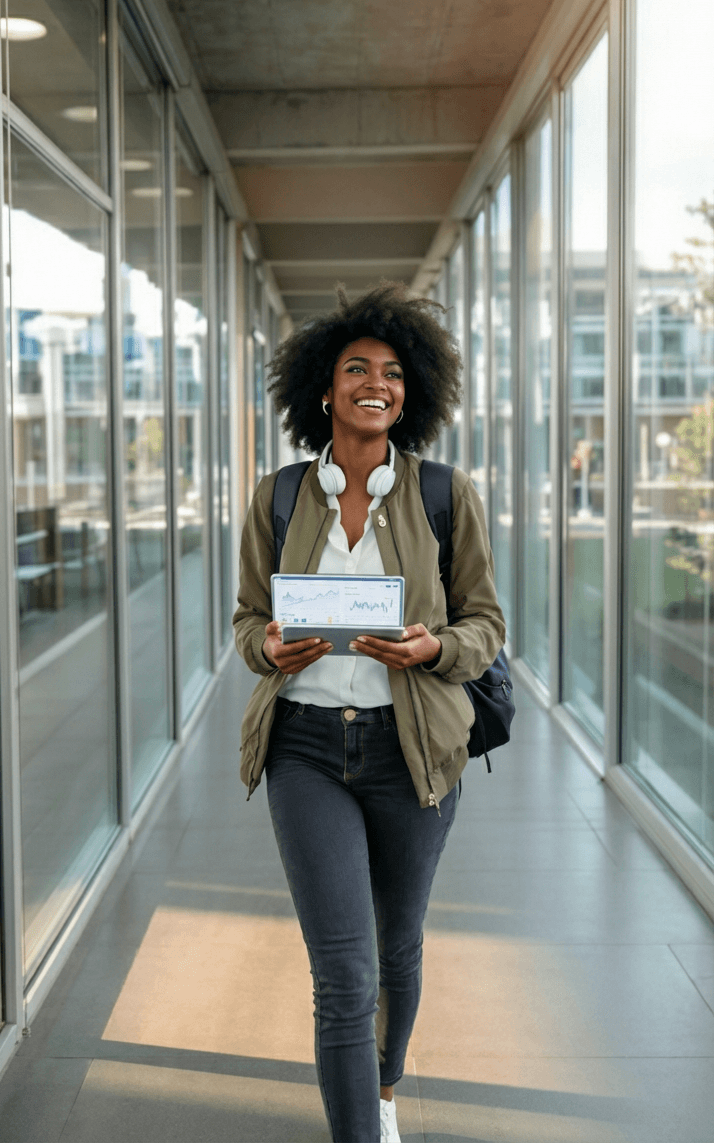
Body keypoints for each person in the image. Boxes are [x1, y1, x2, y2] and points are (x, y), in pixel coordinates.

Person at [233, 281, 505, 1143]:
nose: (374, 383)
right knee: (344, 970)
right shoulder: (278, 496)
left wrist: (434, 650)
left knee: (398, 949)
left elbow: (486, 625)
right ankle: (360, 1129)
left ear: (409, 393)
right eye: (357, 368)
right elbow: (245, 618)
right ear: (324, 388)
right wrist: (267, 649)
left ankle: (382, 1087)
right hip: (306, 750)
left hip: (413, 749)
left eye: (391, 372)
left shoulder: (442, 495)